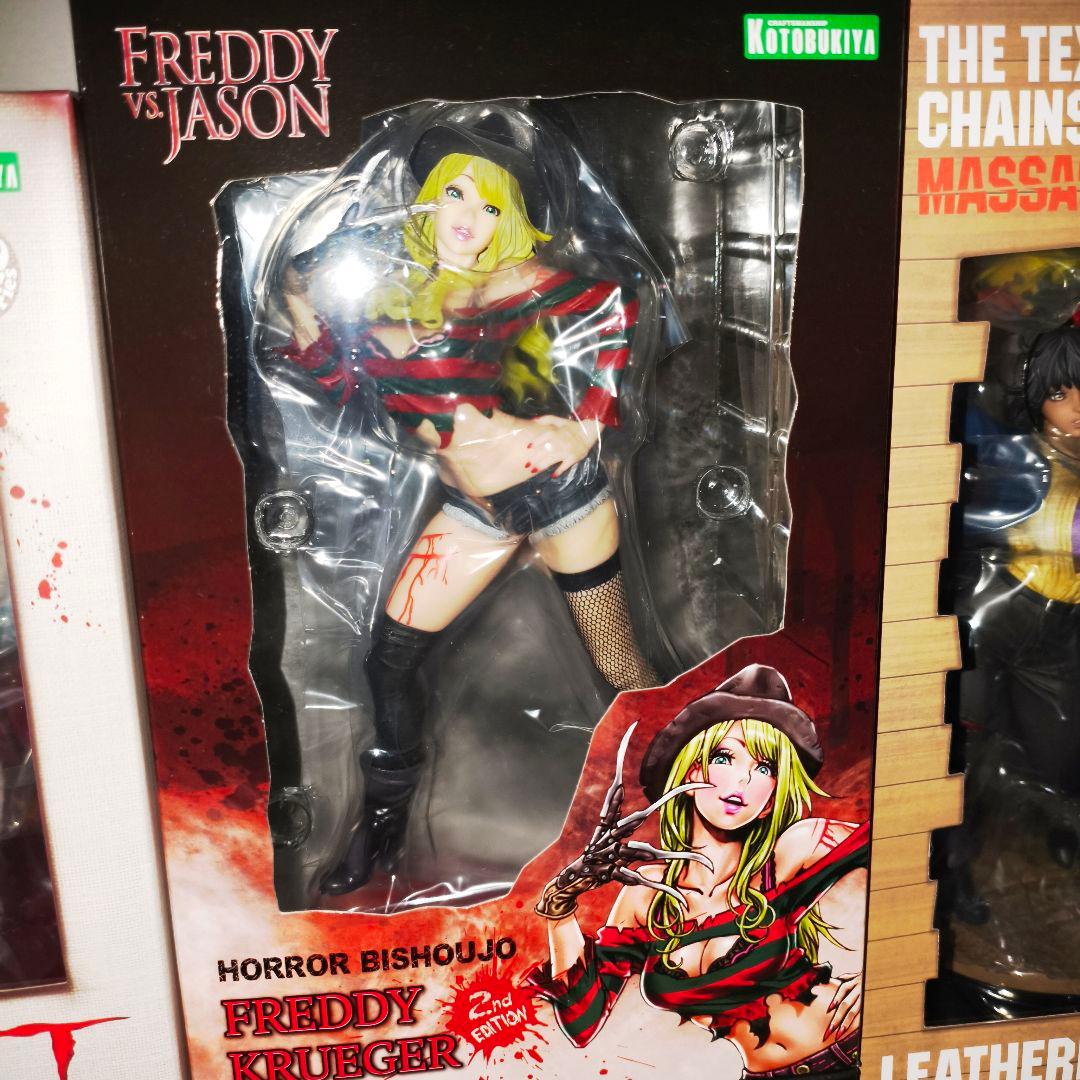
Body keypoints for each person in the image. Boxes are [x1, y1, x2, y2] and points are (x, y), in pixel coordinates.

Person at [274, 111, 659, 894]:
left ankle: (683, 801)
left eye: (490, 206)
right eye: (455, 193)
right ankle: (381, 835)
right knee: (389, 660)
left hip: (561, 498)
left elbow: (615, 306)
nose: (468, 218)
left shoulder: (503, 283)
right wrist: (299, 294)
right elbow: (342, 384)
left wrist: (586, 426)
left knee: (618, 663)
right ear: (427, 198)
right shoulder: (390, 297)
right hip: (473, 513)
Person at [530, 664, 868, 1078]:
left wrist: (880, 977)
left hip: (850, 1053)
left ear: (771, 798)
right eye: (724, 757)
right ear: (691, 769)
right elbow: (582, 1020)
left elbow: (914, 846)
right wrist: (559, 908)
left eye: (765, 768)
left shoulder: (792, 851)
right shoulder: (646, 899)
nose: (743, 780)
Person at [939, 317, 1080, 932]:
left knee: (1059, 755)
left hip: (1058, 631)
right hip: (996, 615)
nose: (1075, 408)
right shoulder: (1015, 458)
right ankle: (952, 873)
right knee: (964, 756)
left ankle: (1060, 836)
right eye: (1060, 393)